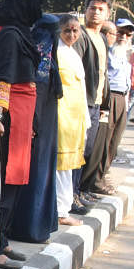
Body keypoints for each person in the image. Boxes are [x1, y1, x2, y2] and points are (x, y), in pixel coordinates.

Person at [0, 0, 47, 269]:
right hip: (9, 115)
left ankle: (2, 238)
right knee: (4, 181)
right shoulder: (9, 35)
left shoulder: (20, 34)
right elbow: (2, 78)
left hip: (23, 114)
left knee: (16, 180)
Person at [8, 13, 62, 243]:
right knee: (30, 174)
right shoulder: (31, 63)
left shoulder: (51, 66)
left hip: (46, 129)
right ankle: (26, 227)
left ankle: (38, 225)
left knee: (42, 171)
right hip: (32, 128)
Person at [85, 19, 132, 195]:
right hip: (108, 98)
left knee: (114, 142)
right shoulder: (106, 52)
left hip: (122, 99)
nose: (123, 37)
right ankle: (94, 180)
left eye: (128, 34)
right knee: (102, 142)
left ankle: (102, 175)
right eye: (120, 33)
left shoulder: (126, 54)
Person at [55, 15, 91, 225]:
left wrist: (85, 119)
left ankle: (64, 208)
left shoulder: (74, 55)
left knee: (69, 167)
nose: (72, 35)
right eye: (67, 30)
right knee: (61, 166)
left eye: (76, 31)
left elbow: (81, 89)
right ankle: (61, 211)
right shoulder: (57, 53)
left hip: (76, 118)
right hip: (62, 117)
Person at [74, 0, 111, 196]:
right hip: (81, 102)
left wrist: (105, 100)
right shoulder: (79, 35)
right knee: (78, 150)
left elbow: (103, 72)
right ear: (85, 10)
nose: (95, 12)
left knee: (89, 149)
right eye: (92, 8)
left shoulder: (102, 38)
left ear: (107, 14)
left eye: (100, 9)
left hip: (96, 102)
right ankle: (73, 193)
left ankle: (81, 189)